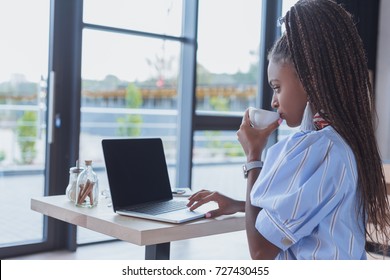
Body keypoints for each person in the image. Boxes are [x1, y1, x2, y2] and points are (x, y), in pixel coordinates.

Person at [187, 0, 390, 260]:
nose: (273, 102)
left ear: (308, 78)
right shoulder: (341, 140)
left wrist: (253, 157)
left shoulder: (317, 150)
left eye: (277, 87)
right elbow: (308, 210)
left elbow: (260, 252)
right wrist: (240, 205)